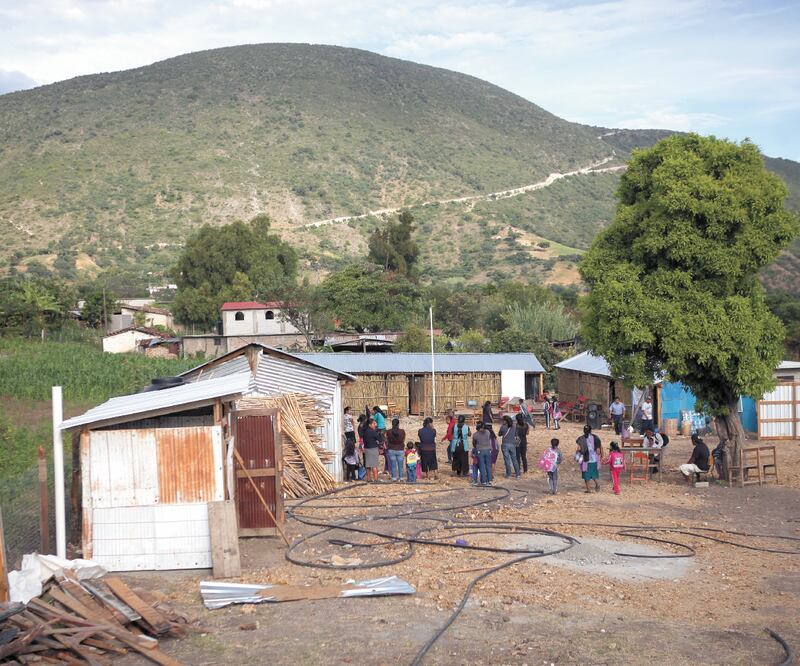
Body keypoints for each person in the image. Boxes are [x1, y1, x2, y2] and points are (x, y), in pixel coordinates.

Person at [576, 425, 602, 493]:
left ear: (583, 431)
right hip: (594, 459)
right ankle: (597, 484)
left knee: (586, 476)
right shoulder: (596, 438)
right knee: (594, 475)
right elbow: (598, 451)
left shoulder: (581, 439)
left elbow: (579, 449)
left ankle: (589, 490)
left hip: (585, 459)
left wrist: (577, 454)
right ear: (591, 430)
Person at [472, 421, 493, 486]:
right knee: (488, 466)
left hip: (480, 451)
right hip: (488, 450)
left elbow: (474, 444)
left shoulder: (475, 434)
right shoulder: (488, 432)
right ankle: (489, 480)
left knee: (482, 466)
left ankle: (483, 481)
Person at [385, 418, 406, 482]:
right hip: (400, 449)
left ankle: (394, 478)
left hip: (391, 449)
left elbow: (386, 439)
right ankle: (401, 478)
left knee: (393, 465)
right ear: (398, 424)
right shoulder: (402, 431)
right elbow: (403, 439)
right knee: (401, 465)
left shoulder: (388, 431)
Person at [499, 414, 520, 478]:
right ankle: (517, 474)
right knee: (514, 459)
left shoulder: (503, 427)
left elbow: (499, 434)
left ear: (505, 421)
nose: (502, 421)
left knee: (507, 460)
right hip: (512, 444)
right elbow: (516, 435)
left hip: (505, 444)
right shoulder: (514, 426)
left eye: (503, 420)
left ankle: (509, 474)